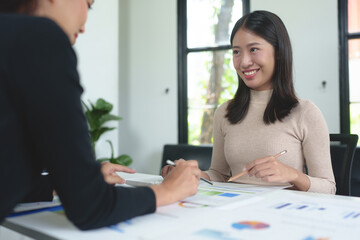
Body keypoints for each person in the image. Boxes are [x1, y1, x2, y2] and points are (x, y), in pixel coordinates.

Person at [0, 0, 201, 230]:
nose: (85, 25)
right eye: (89, 4)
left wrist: (69, 182)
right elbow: (90, 208)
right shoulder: (41, 37)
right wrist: (167, 191)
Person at [162, 10, 335, 194]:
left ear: (278, 52)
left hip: (284, 214)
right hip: (235, 212)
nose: (244, 62)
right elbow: (219, 175)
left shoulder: (305, 112)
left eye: (253, 49)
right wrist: (192, 174)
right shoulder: (224, 112)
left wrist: (292, 174)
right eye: (236, 52)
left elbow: (328, 188)